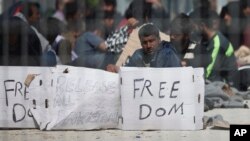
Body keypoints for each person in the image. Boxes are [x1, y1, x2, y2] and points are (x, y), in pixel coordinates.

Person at [106, 23, 181, 72]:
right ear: (141, 43)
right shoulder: (138, 55)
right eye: (145, 42)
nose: (148, 46)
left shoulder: (168, 53)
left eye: (151, 41)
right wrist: (116, 69)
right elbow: (127, 71)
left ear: (159, 40)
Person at [190, 9, 238, 86]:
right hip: (214, 80)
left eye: (194, 27)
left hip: (225, 85)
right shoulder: (203, 40)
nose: (192, 30)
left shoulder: (218, 43)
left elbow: (209, 73)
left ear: (202, 26)